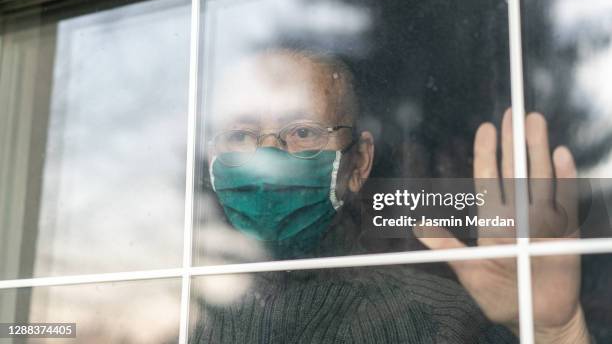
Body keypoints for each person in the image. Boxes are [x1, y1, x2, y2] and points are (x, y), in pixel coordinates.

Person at [191, 49, 590, 343]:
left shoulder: (437, 321)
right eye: (239, 136)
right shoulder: (180, 317)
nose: (268, 159)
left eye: (303, 132)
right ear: (212, 159)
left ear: (359, 163)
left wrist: (557, 333)